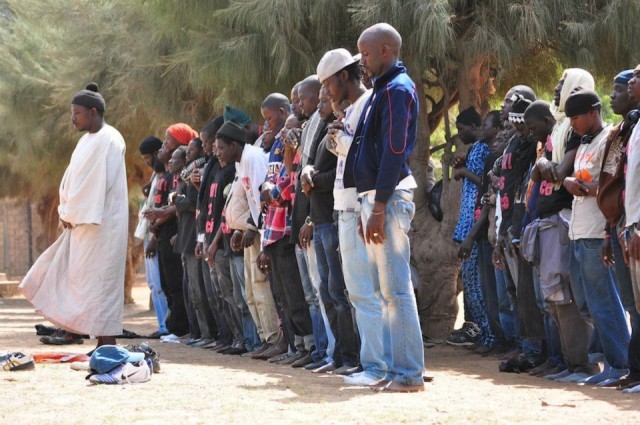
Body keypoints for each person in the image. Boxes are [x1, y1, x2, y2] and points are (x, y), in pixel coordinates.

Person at [21, 82, 128, 349]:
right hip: (80, 225)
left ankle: (108, 346)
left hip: (101, 227)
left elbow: (93, 184)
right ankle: (92, 339)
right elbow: (71, 181)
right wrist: (65, 211)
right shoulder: (85, 141)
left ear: (93, 112)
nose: (73, 118)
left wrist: (70, 211)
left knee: (102, 285)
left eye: (77, 113)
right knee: (84, 284)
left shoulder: (110, 139)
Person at [348, 23, 424, 392]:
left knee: (396, 289)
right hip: (377, 198)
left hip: (389, 198)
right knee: (386, 291)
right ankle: (397, 370)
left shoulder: (397, 89)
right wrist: (367, 204)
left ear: (386, 50)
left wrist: (377, 206)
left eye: (365, 53)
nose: (361, 60)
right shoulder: (382, 90)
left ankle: (408, 374)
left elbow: (395, 152)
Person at [562, 87, 630, 385]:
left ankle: (622, 364)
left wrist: (586, 189)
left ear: (593, 112)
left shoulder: (609, 140)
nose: (573, 123)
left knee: (605, 301)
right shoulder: (584, 142)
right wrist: (567, 181)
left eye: (576, 117)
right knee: (590, 303)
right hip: (578, 229)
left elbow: (613, 183)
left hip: (596, 229)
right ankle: (606, 363)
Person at [448, 106, 495, 350]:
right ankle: (481, 332)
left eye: (461, 128)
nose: (459, 133)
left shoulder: (487, 149)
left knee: (476, 281)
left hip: (475, 221)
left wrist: (465, 170)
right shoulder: (476, 149)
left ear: (476, 128)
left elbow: (485, 183)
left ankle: (488, 335)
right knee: (470, 278)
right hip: (468, 220)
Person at [134, 136, 170, 338]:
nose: (147, 161)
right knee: (152, 283)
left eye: (148, 157)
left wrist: (154, 239)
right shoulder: (156, 176)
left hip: (156, 236)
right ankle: (162, 324)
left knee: (158, 284)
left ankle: (167, 326)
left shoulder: (167, 176)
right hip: (150, 234)